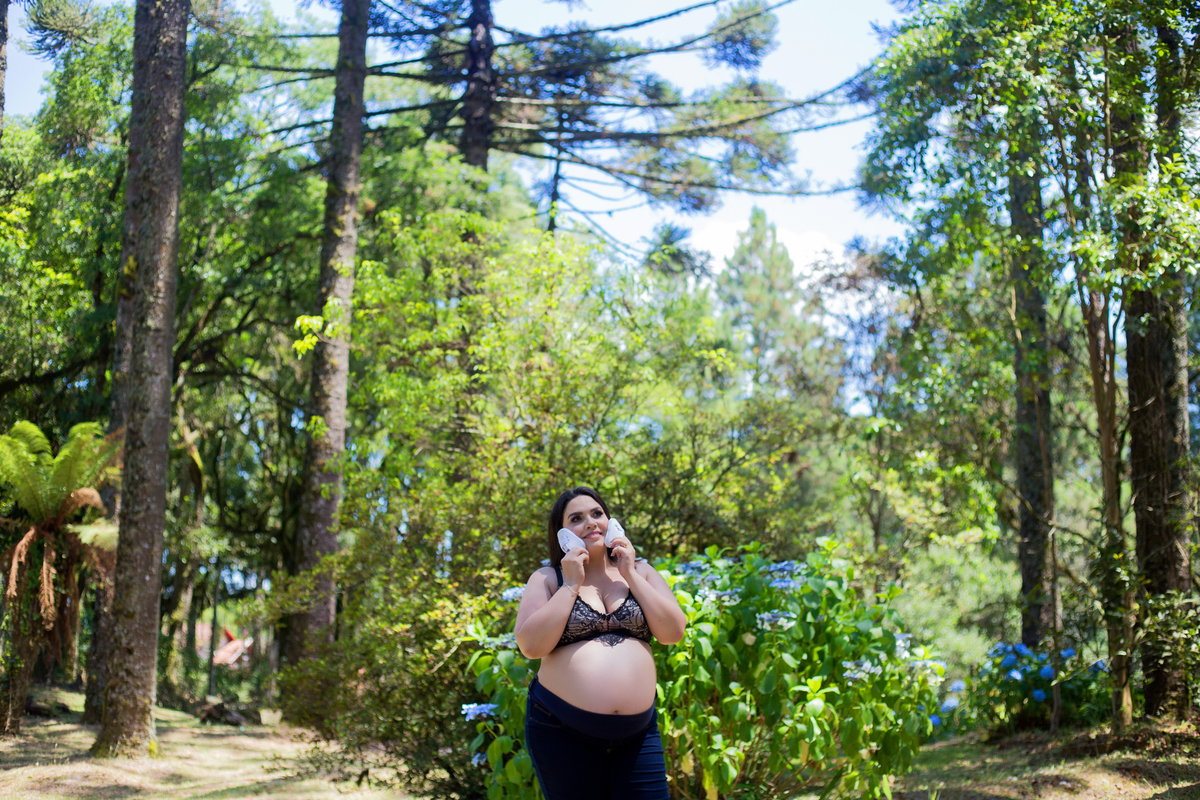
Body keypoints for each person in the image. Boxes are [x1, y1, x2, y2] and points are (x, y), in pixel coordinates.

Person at [513, 486, 687, 800]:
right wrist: (571, 584)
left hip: (638, 734)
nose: (591, 523)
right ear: (562, 534)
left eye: (597, 514)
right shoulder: (547, 579)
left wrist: (630, 573)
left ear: (611, 521)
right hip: (560, 730)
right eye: (577, 518)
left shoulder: (642, 572)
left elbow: (673, 632)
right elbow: (531, 646)